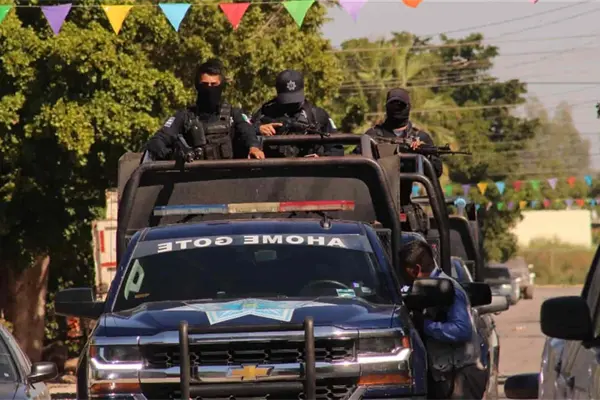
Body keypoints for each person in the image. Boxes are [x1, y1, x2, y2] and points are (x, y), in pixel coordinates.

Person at [399, 240, 487, 400]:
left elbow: (462, 330)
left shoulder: (448, 289)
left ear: (416, 269)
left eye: (405, 273)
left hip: (460, 377)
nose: (404, 280)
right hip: (444, 376)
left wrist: (425, 325)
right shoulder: (424, 289)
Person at [143, 58, 264, 162]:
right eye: (205, 85)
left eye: (214, 85)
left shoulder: (234, 114)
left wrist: (253, 147)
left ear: (221, 86)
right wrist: (173, 156)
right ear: (197, 86)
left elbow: (247, 131)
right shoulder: (185, 116)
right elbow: (157, 141)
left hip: (227, 177)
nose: (209, 89)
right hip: (193, 178)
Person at [252, 69, 344, 158]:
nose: (291, 104)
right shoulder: (264, 113)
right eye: (288, 99)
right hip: (274, 167)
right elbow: (245, 134)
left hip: (309, 168)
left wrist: (320, 158)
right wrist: (257, 129)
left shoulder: (317, 115)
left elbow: (337, 149)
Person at [364, 88, 443, 177]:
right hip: (381, 183)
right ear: (386, 107)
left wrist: (425, 154)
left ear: (408, 107)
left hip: (413, 184)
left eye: (400, 105)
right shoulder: (372, 136)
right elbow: (357, 164)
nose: (396, 108)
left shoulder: (421, 137)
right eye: (392, 105)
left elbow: (437, 171)